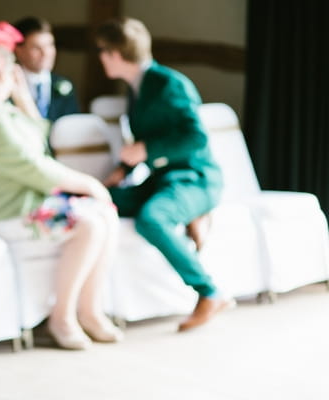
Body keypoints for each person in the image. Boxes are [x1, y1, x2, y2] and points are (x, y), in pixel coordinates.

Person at [0, 22, 122, 350]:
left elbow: (40, 139)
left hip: (25, 201)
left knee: (106, 214)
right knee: (89, 224)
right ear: (4, 72)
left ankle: (90, 310)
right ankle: (62, 317)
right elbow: (34, 165)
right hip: (4, 210)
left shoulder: (5, 110)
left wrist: (24, 101)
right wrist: (89, 184)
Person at [95, 17, 233, 332]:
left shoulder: (170, 83)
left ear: (116, 53)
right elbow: (149, 142)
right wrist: (122, 169)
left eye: (103, 51)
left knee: (152, 219)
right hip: (163, 180)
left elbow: (195, 138)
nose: (100, 57)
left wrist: (146, 150)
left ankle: (210, 292)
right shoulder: (135, 88)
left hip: (195, 178)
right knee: (102, 201)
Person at [13, 16, 80, 121]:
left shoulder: (65, 85)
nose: (46, 53)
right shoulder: (9, 85)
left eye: (50, 45)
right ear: (19, 51)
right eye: (36, 47)